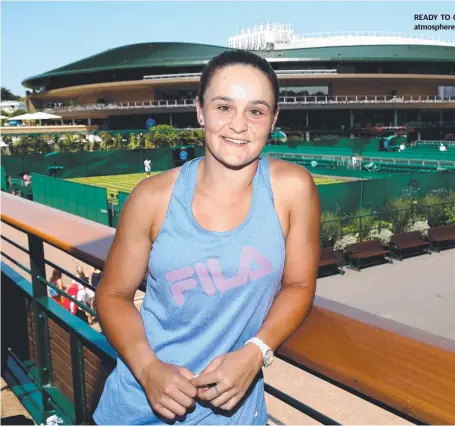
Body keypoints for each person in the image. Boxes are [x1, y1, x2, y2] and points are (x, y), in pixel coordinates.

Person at [93, 50, 320, 425]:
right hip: (136, 408)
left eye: (256, 111)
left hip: (235, 414)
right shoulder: (152, 197)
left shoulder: (293, 190)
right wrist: (149, 370)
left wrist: (255, 352)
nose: (239, 125)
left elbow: (298, 285)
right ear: (200, 111)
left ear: (273, 119)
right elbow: (113, 294)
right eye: (224, 107)